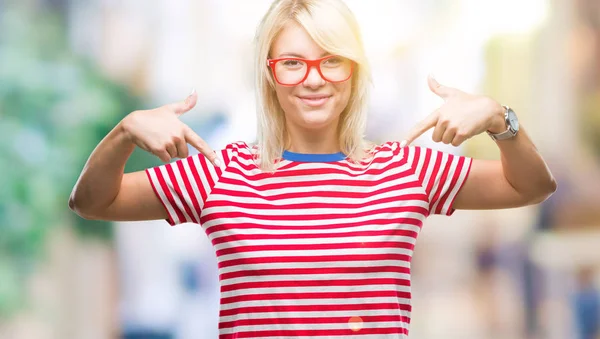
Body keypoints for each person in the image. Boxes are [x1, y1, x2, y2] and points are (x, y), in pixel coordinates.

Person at [68, 0, 557, 337]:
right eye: (293, 64)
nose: (314, 79)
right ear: (270, 76)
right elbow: (92, 202)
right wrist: (125, 132)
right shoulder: (219, 173)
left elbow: (532, 186)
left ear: (355, 72)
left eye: (332, 61)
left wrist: (500, 118)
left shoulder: (403, 167)